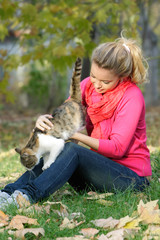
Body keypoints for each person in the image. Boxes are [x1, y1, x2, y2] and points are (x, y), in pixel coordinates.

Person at [0, 36, 152, 209]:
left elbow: (117, 148)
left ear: (122, 77)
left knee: (72, 149)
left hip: (131, 179)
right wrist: (44, 120)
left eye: (105, 81)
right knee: (58, 148)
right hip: (97, 173)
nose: (97, 84)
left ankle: (27, 196)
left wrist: (74, 135)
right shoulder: (88, 86)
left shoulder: (131, 97)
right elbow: (66, 115)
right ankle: (8, 192)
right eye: (94, 76)